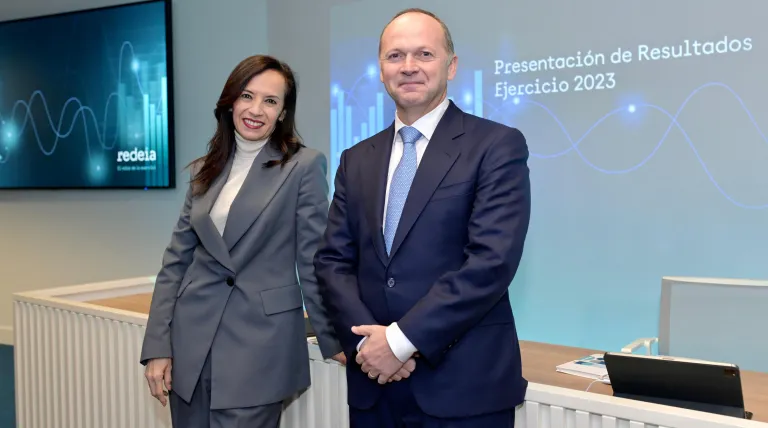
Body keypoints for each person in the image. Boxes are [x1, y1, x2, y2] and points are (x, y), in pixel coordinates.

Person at [314, 8, 531, 427]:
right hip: (373, 386)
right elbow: (332, 261)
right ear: (381, 70)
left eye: (424, 54)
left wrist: (398, 342)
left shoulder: (496, 145)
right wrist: (369, 346)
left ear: (451, 66)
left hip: (463, 388)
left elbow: (491, 261)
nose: (409, 66)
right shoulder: (356, 159)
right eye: (395, 56)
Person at [140, 54, 345, 428]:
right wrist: (157, 346)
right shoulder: (204, 169)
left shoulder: (303, 166)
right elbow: (175, 263)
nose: (256, 110)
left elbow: (313, 259)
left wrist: (334, 337)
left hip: (258, 344)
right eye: (247, 96)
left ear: (283, 113)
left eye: (270, 101)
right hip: (191, 343)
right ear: (231, 101)